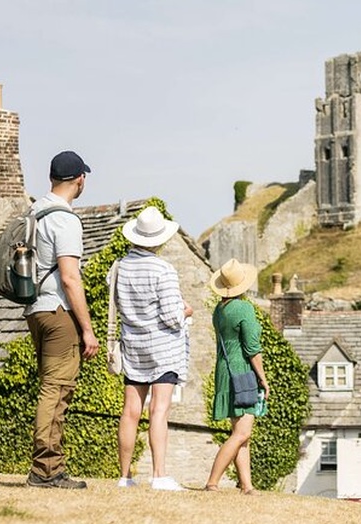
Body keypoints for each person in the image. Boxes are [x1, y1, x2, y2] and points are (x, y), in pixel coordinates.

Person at [23, 151, 98, 489]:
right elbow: (70, 277)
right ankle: (47, 470)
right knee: (56, 390)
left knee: (51, 388)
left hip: (35, 309)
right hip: (57, 311)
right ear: (79, 179)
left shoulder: (35, 211)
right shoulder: (65, 219)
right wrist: (87, 329)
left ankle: (47, 467)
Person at [114, 206, 193, 491]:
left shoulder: (120, 267)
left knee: (130, 411)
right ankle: (159, 474)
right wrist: (186, 311)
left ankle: (125, 476)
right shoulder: (164, 269)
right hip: (162, 348)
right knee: (159, 410)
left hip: (133, 345)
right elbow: (172, 316)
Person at [205, 258, 269, 494]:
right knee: (242, 433)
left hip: (224, 371)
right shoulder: (244, 309)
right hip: (241, 371)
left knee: (241, 434)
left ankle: (247, 486)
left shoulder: (218, 310)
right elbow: (252, 349)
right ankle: (212, 482)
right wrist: (263, 378)